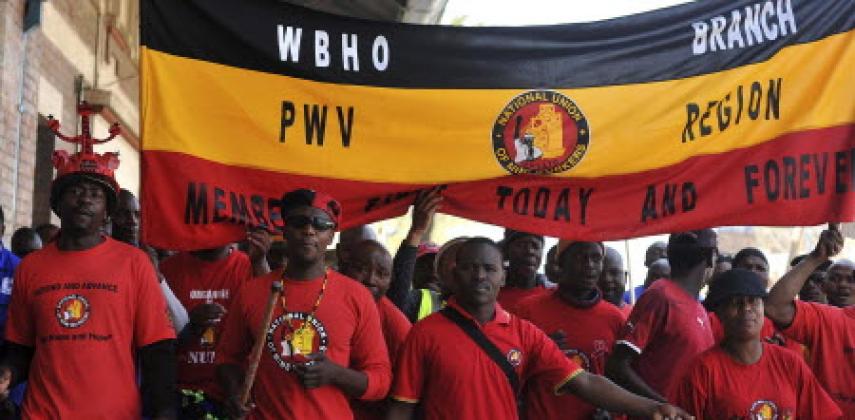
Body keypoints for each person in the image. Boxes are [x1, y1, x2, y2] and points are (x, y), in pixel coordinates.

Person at [386, 238, 690, 420]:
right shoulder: (425, 333)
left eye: (489, 269)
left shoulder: (524, 333)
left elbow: (585, 382)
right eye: (470, 267)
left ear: (502, 277)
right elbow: (401, 407)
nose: (480, 276)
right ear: (454, 274)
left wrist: (654, 409)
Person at [0, 139, 176, 419]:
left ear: (107, 211)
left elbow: (157, 350)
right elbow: (21, 347)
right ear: (57, 204)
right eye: (75, 191)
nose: (85, 199)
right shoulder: (30, 268)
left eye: (95, 194)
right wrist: (8, 373)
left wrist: (165, 412)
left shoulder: (134, 264)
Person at [216, 189, 391, 419]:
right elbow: (226, 359)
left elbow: (381, 381)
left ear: (331, 236)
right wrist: (235, 394)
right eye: (299, 222)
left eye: (320, 225)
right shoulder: (252, 292)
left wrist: (335, 374)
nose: (309, 230)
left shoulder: (356, 296)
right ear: (285, 230)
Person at [674, 269, 841, 419]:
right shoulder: (702, 370)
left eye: (753, 301)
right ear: (719, 313)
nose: (746, 308)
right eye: (736, 303)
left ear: (763, 308)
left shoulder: (790, 363)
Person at [516, 241, 627, 419]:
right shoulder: (527, 311)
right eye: (580, 257)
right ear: (561, 263)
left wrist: (609, 410)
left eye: (596, 258)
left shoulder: (615, 318)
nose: (589, 265)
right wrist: (537, 352)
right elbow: (507, 371)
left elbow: (622, 375)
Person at [607, 230, 717, 403]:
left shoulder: (698, 308)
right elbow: (617, 366)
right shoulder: (660, 295)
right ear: (711, 257)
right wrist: (662, 406)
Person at [765, 224, 854, 417]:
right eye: (836, 278)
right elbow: (774, 307)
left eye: (851, 280)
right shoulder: (826, 320)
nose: (843, 285)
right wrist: (816, 257)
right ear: (824, 286)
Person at [161, 243, 257, 419]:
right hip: (181, 395)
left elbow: (262, 331)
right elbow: (156, 344)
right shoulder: (168, 269)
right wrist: (189, 325)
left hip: (234, 397)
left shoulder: (249, 267)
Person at [342, 240, 412, 420]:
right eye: (361, 269)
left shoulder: (398, 327)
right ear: (344, 266)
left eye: (382, 274)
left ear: (390, 281)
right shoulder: (326, 298)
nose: (371, 279)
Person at [110, 189, 189, 333]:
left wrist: (156, 276)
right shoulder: (101, 262)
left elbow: (180, 323)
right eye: (123, 214)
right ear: (107, 216)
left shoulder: (149, 259)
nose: (133, 221)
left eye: (137, 215)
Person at [386, 189, 444, 323]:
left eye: (438, 266)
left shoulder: (460, 304)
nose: (433, 273)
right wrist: (416, 232)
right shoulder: (410, 302)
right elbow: (396, 293)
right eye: (424, 266)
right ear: (411, 271)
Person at [496, 229, 549, 313]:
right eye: (521, 245)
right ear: (507, 250)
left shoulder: (551, 295)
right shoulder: (490, 294)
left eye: (535, 246)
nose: (529, 251)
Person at [599, 246, 632, 318]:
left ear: (625, 277)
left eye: (614, 273)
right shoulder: (582, 316)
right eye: (600, 273)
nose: (607, 279)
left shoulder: (636, 317)